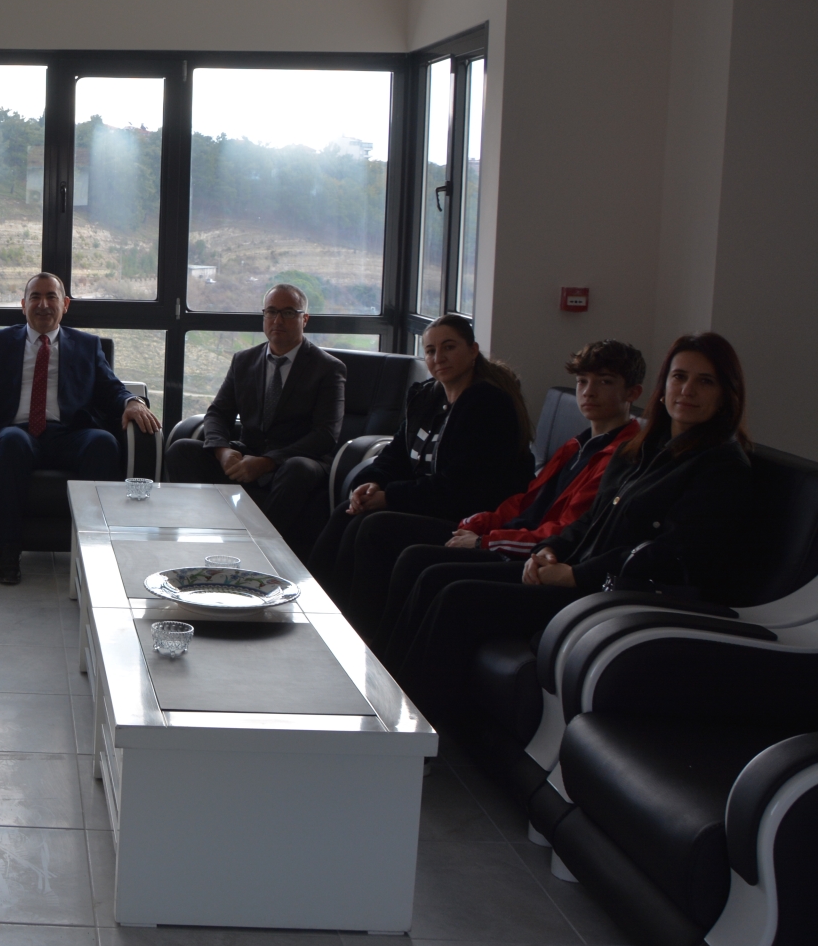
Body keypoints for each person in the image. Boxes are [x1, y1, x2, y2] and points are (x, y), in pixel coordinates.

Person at [389, 333, 754, 731]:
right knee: (435, 574)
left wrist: (575, 574)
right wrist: (549, 551)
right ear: (663, 387)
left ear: (726, 394)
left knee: (458, 596)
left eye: (705, 381)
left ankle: (414, 736)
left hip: (609, 596)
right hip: (571, 572)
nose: (687, 390)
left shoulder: (721, 466)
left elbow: (669, 553)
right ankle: (388, 703)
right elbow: (588, 521)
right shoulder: (644, 449)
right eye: (679, 377)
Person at [371, 339, 644, 659]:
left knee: (436, 578)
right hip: (515, 540)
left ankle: (399, 673)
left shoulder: (622, 457)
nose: (589, 392)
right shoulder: (577, 445)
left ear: (633, 393)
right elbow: (527, 502)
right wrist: (479, 524)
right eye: (583, 381)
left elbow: (565, 530)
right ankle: (381, 661)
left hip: (540, 559)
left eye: (605, 382)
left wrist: (484, 542)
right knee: (412, 556)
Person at [310, 313, 534, 640]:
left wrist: (390, 497)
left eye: (449, 347)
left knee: (374, 527)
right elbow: (396, 454)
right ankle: (316, 611)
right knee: (349, 512)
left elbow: (460, 487)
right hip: (430, 502)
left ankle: (360, 634)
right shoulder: (428, 396)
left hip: (469, 517)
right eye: (430, 350)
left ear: (473, 351)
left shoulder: (489, 405)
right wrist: (372, 483)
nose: (438, 357)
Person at [0, 271, 161, 585]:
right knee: (11, 441)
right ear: (23, 305)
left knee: (102, 442)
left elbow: (111, 388)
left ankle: (93, 551)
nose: (43, 305)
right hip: (17, 432)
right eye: (35, 297)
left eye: (51, 297)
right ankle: (8, 551)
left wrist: (132, 401)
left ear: (65, 304)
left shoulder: (87, 345)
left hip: (68, 433)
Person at [164, 283, 346, 553]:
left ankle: (257, 548)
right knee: (182, 450)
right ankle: (208, 531)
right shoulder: (244, 360)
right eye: (271, 312)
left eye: (288, 312)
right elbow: (218, 413)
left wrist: (268, 462)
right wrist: (222, 451)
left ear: (305, 319)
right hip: (247, 453)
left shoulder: (328, 368)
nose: (277, 320)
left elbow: (325, 435)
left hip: (295, 462)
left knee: (299, 469)